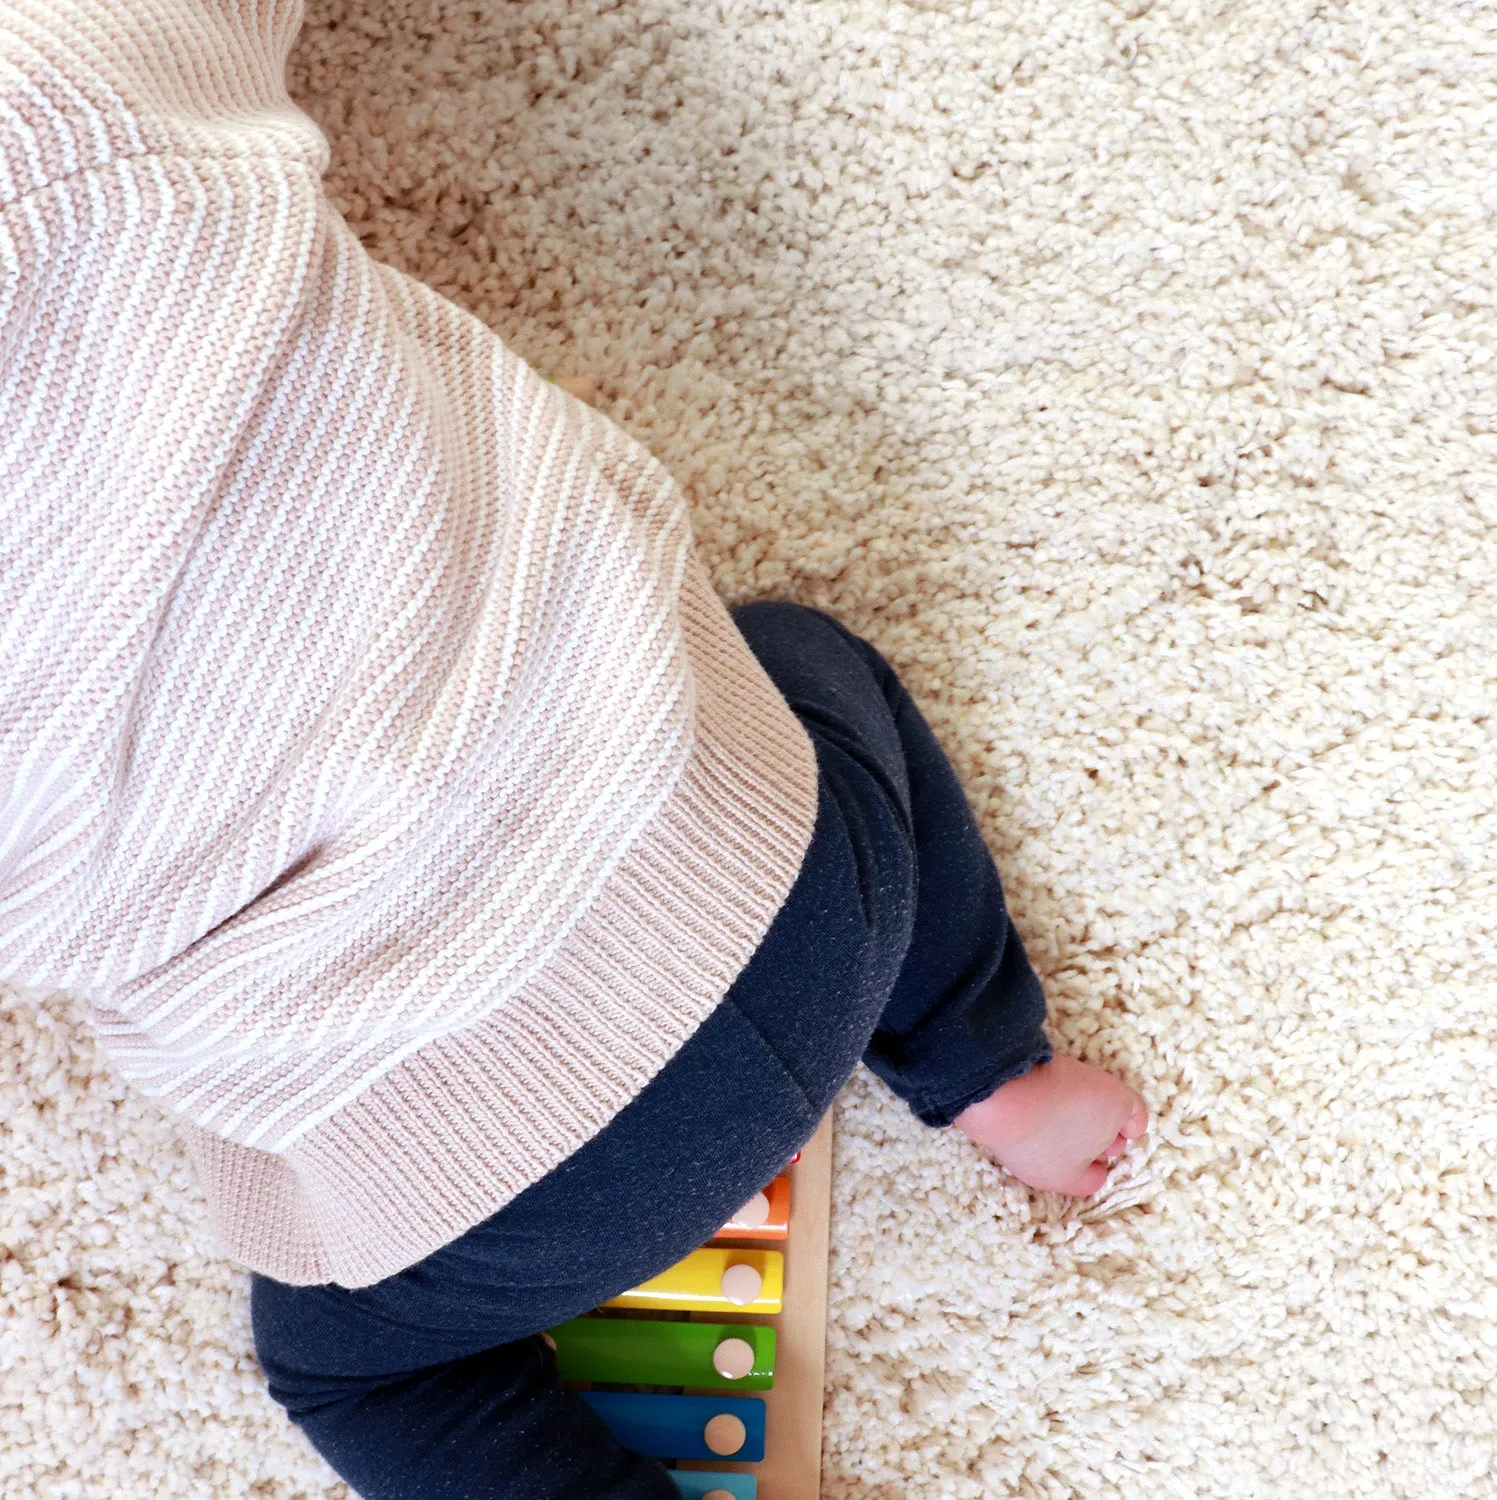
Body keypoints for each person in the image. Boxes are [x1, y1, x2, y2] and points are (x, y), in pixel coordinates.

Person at [0, 2, 1147, 1495]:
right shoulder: (51, 96)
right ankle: (998, 1075)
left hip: (463, 1191)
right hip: (780, 877)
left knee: (353, 1368)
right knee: (808, 651)